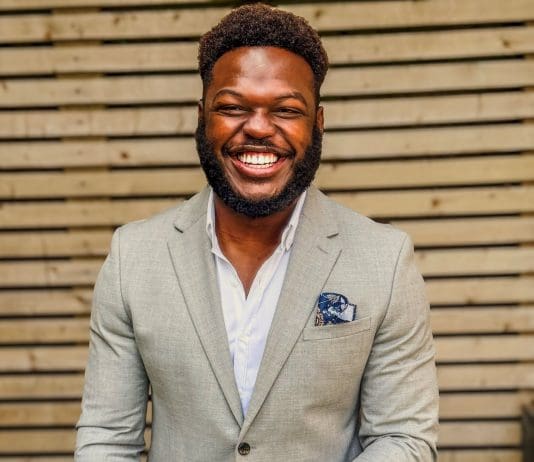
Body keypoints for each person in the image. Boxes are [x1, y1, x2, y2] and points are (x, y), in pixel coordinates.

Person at [75, 3, 439, 461]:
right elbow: (106, 439)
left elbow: (403, 437)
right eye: (233, 107)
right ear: (202, 117)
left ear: (318, 123)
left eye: (286, 109)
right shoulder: (133, 258)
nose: (259, 128)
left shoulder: (383, 261)